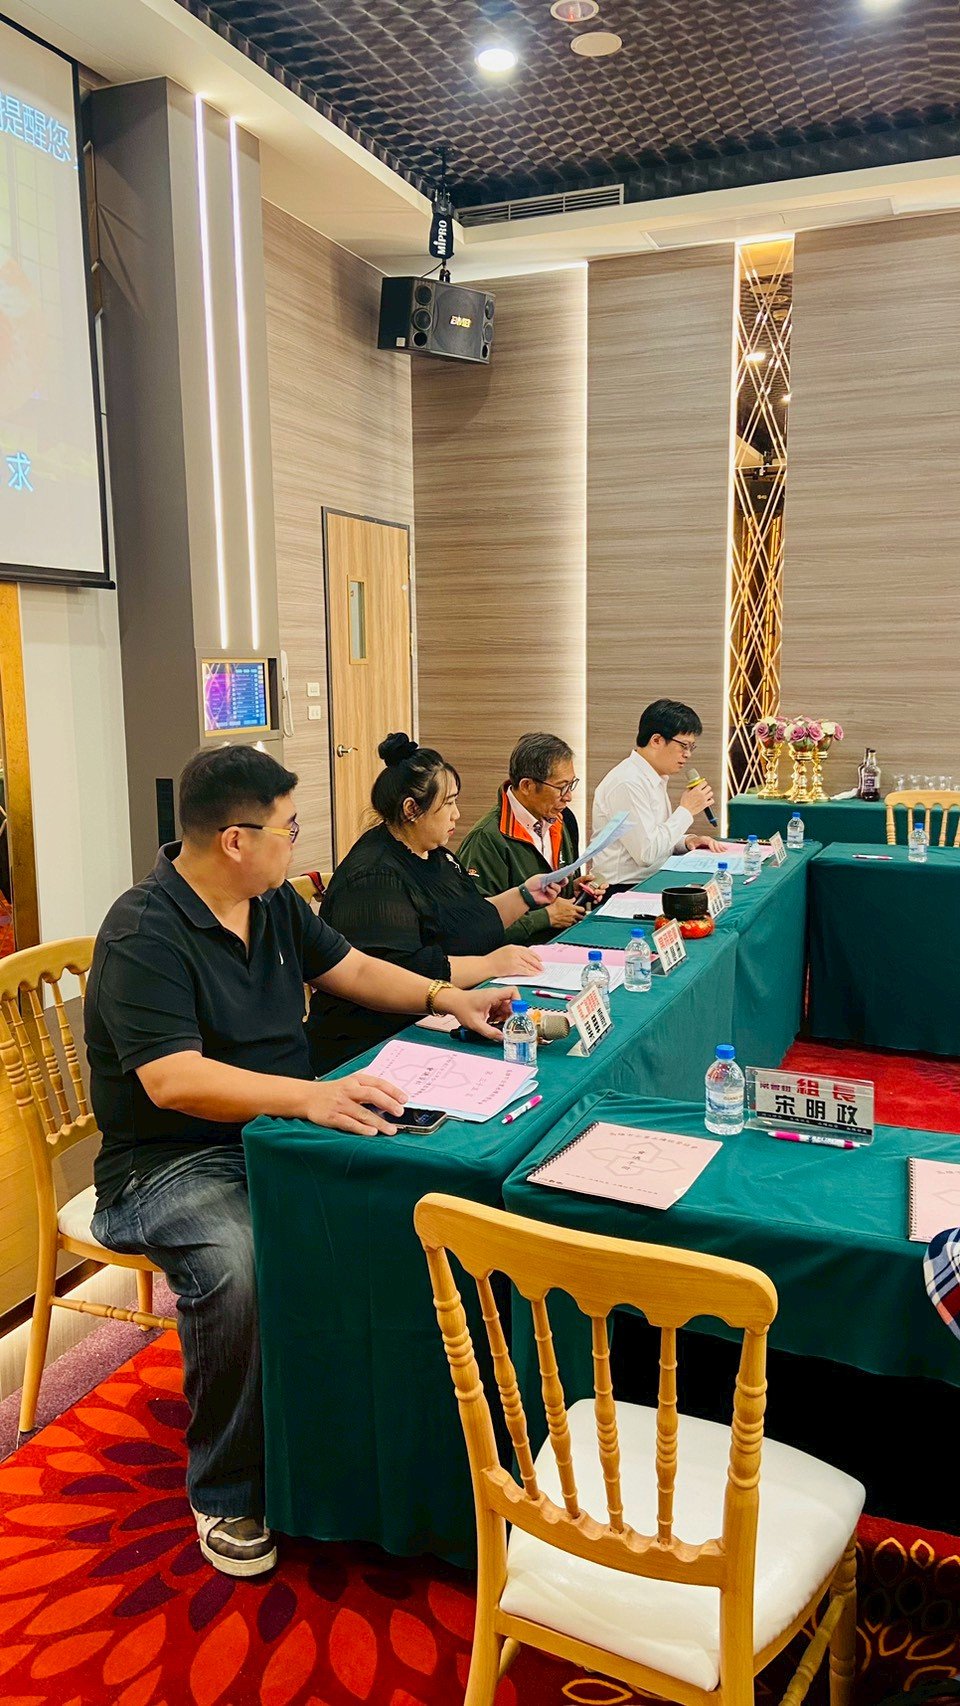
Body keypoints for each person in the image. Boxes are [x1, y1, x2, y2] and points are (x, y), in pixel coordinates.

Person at [85, 746, 518, 1579]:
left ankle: (362, 1442)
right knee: (238, 1266)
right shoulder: (144, 930)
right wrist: (309, 1097)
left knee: (407, 1203)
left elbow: (351, 968)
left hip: (278, 1134)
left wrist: (445, 998)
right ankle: (226, 1487)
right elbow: (173, 1081)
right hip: (168, 1163)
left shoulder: (272, 900)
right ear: (236, 840)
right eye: (288, 828)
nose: (297, 841)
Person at [307, 733, 561, 1073]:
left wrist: (525, 895)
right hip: (376, 1046)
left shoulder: (436, 854)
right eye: (449, 804)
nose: (457, 814)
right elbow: (403, 971)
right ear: (412, 809)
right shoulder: (375, 877)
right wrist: (491, 965)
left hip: (443, 1016)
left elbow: (471, 919)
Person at [458, 732, 590, 944]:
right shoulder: (487, 838)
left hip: (561, 945)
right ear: (527, 786)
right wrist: (544, 918)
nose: (568, 796)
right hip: (517, 955)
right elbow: (473, 927)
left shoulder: (559, 819)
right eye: (561, 787)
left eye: (571, 784)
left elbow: (555, 895)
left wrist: (575, 889)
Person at [591, 698, 723, 887]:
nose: (688, 754)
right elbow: (647, 854)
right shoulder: (627, 782)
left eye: (691, 747)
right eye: (683, 746)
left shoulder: (653, 776)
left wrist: (687, 841)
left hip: (650, 881)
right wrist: (686, 810)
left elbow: (655, 834)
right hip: (623, 890)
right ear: (656, 740)